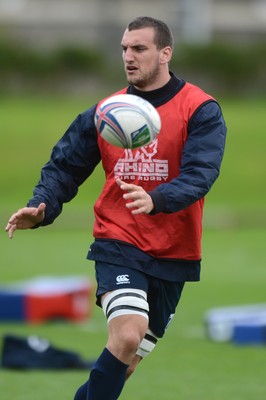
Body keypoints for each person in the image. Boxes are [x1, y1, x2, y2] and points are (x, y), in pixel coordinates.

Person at [5, 16, 227, 400]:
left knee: (123, 366)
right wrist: (42, 205)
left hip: (175, 250)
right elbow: (65, 165)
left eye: (139, 48)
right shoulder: (107, 110)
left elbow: (201, 173)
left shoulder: (200, 109)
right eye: (125, 48)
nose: (128, 56)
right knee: (126, 335)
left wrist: (156, 199)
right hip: (118, 240)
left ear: (165, 53)